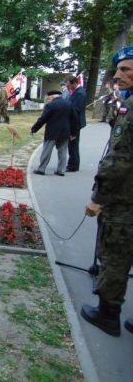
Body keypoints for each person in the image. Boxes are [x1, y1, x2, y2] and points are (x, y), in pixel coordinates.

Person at [81, 45, 133, 337]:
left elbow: (119, 161)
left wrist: (97, 199)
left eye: (126, 69)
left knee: (115, 258)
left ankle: (108, 315)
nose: (118, 75)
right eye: (118, 69)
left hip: (124, 202)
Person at [31, 90, 78, 176]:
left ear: (52, 97)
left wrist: (34, 129)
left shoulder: (51, 105)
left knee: (46, 151)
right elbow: (74, 119)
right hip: (65, 132)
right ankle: (61, 171)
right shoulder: (69, 104)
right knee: (63, 152)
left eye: (49, 98)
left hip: (52, 132)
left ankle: (41, 169)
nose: (49, 100)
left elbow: (43, 118)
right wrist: (73, 133)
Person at [66, 76, 87, 172]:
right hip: (73, 121)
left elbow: (76, 110)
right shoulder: (76, 92)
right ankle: (72, 163)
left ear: (74, 83)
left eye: (69, 85)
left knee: (73, 144)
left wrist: (73, 130)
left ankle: (73, 165)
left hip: (75, 122)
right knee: (71, 144)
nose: (68, 87)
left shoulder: (80, 93)